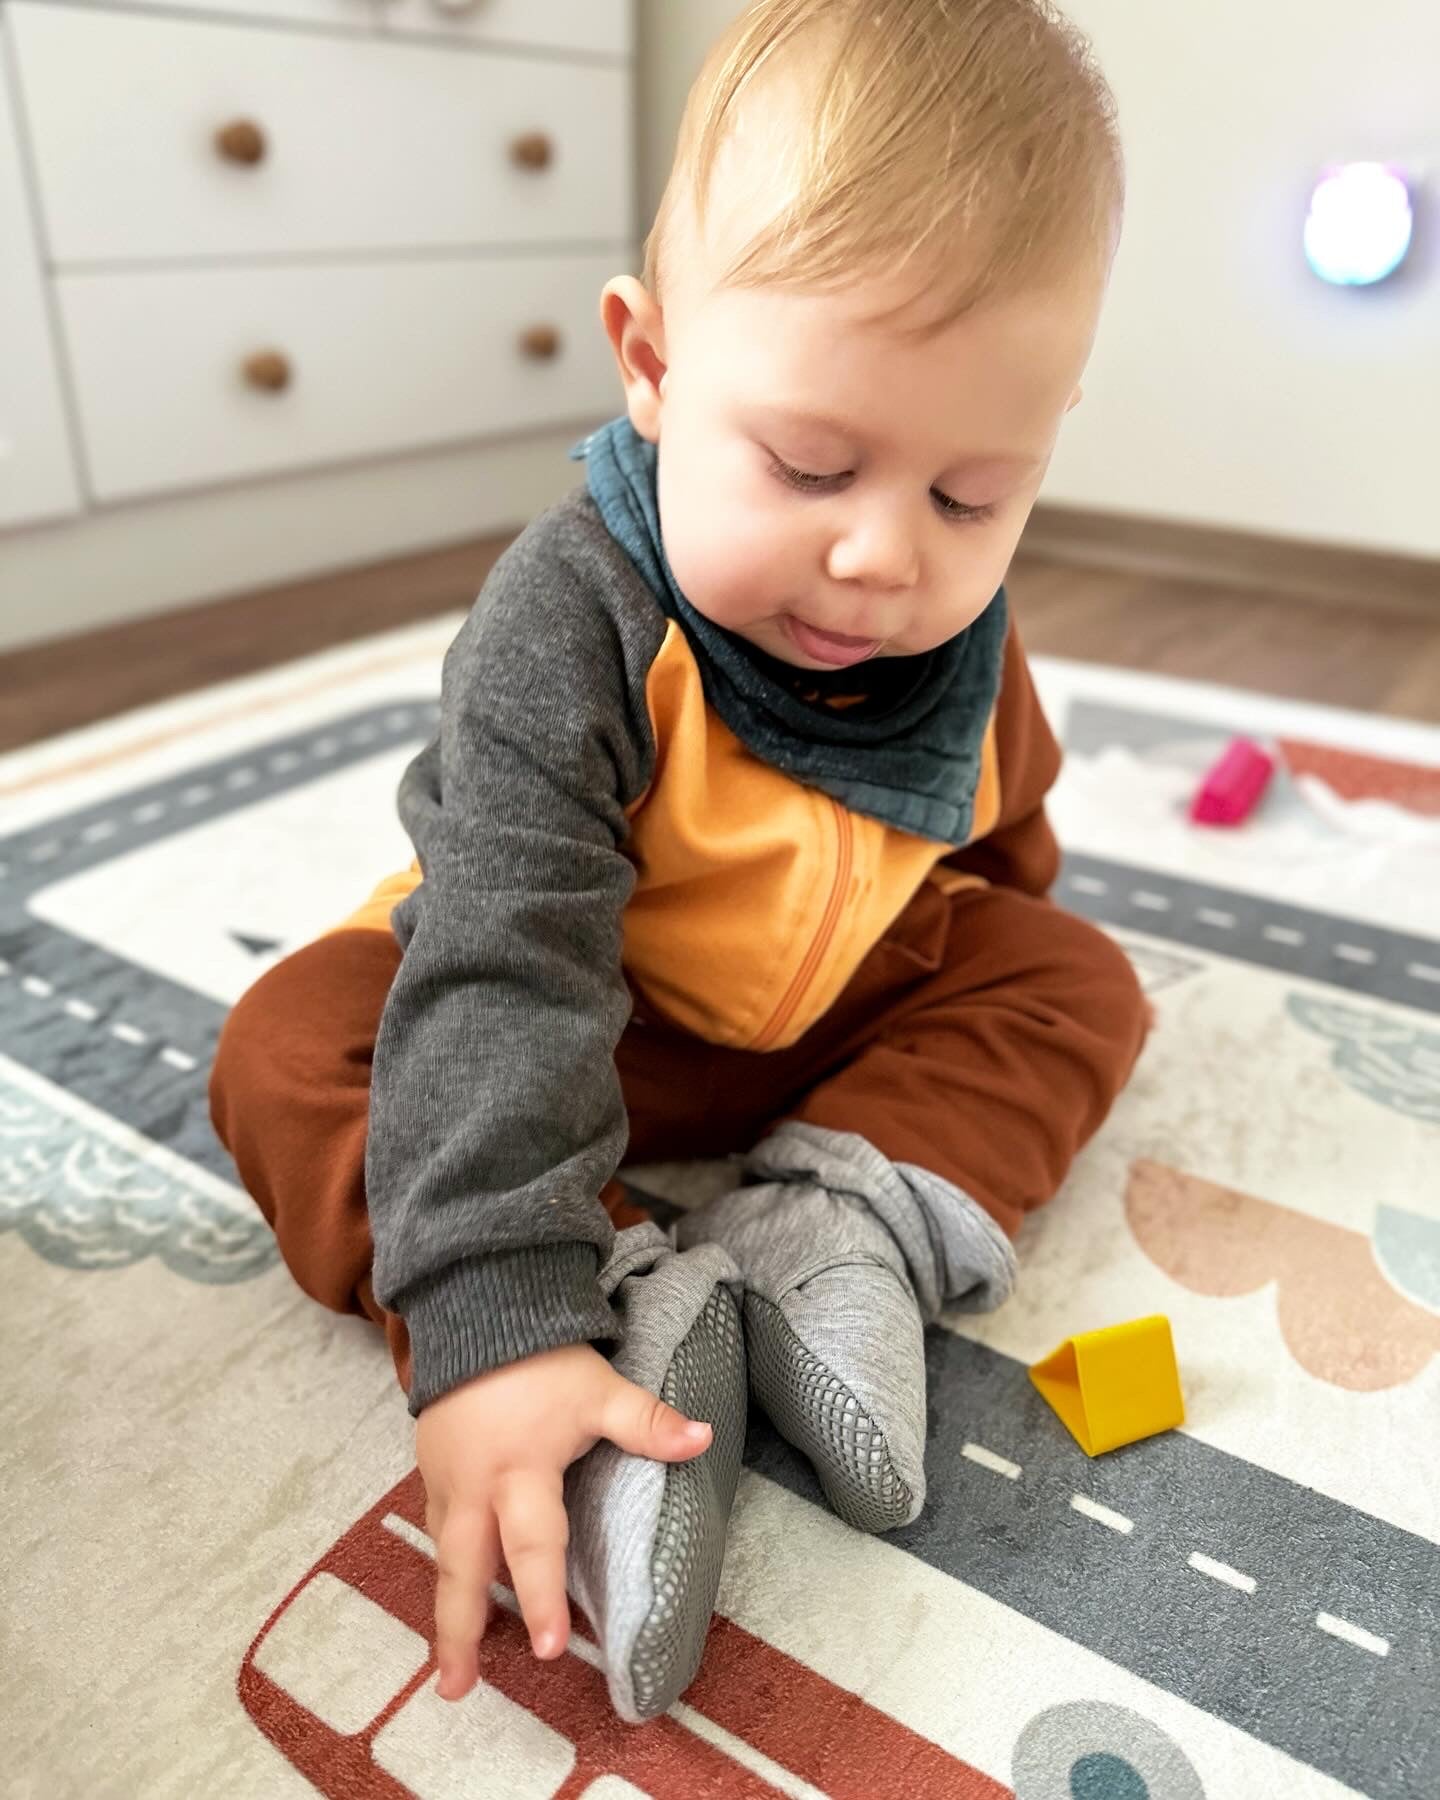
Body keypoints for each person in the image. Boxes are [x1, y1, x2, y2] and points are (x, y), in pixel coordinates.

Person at [210, 0, 1146, 1724]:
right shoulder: (571, 619)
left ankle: (832, 1207)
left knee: (1080, 974)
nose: (880, 555)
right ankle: (617, 1297)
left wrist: (966, 1051)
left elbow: (1000, 851)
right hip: (568, 1004)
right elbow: (501, 957)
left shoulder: (965, 641)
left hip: (827, 1008)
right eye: (810, 464)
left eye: (973, 495)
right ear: (648, 365)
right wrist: (495, 1309)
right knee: (288, 1049)